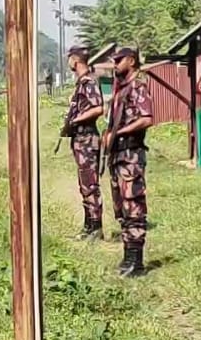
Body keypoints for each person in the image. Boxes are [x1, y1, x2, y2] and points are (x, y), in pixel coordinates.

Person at [103, 46, 155, 276]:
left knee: (133, 206)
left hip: (131, 155)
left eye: (118, 60)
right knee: (121, 208)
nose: (115, 64)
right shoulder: (120, 89)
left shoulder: (137, 86)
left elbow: (147, 118)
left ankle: (137, 261)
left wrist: (120, 132)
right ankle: (127, 257)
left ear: (131, 61)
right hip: (118, 156)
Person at [64, 45, 106, 239]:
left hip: (87, 138)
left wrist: (77, 119)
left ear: (76, 60)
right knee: (85, 184)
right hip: (80, 139)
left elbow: (98, 108)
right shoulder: (81, 83)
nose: (68, 62)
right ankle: (88, 226)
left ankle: (96, 228)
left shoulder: (88, 82)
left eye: (70, 58)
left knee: (90, 185)